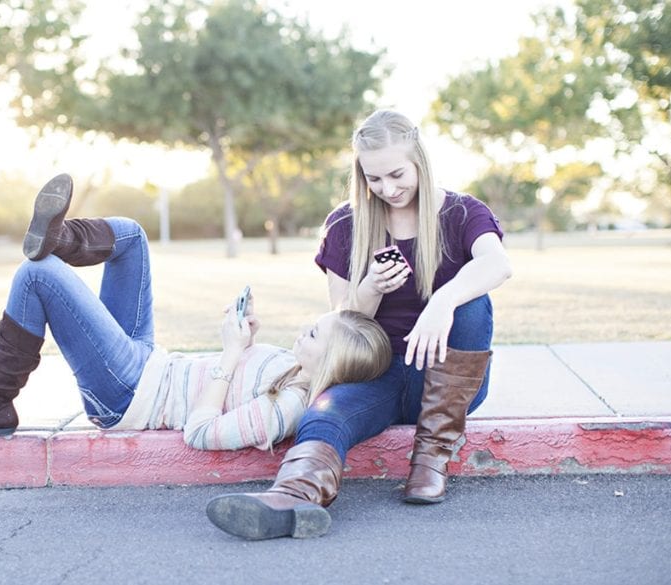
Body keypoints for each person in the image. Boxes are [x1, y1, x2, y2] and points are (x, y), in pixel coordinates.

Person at [206, 109, 512, 539]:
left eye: (397, 174)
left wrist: (442, 300)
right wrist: (369, 288)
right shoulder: (346, 223)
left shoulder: (462, 213)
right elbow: (342, 325)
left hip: (446, 383)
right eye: (374, 179)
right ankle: (292, 498)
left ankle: (431, 460)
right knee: (328, 412)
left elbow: (497, 264)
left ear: (420, 160)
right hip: (376, 375)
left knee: (472, 300)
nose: (387, 189)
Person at [0, 173, 393, 452]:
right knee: (130, 237)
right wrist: (246, 342)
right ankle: (59, 237)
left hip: (130, 395)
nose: (307, 327)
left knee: (38, 276)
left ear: (330, 365)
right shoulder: (293, 369)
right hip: (151, 362)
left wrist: (231, 356)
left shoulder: (287, 408)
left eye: (316, 334)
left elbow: (201, 432)